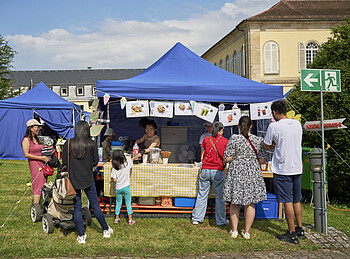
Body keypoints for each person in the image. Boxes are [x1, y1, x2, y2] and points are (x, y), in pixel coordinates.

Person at [62, 121, 113, 244]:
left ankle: (81, 235)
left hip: (74, 178)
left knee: (77, 207)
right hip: (88, 178)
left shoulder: (68, 143)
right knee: (95, 205)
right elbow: (95, 161)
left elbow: (64, 161)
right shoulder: (91, 143)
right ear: (87, 130)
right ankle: (105, 229)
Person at [264, 100, 304, 244]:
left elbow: (267, 145)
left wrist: (274, 145)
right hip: (297, 166)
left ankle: (291, 232)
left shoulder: (274, 126)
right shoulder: (297, 124)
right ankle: (300, 229)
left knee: (287, 201)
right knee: (296, 200)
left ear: (273, 112)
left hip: (283, 168)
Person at [223, 116, 268, 239]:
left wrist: (236, 157)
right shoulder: (258, 140)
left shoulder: (234, 139)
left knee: (234, 202)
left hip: (236, 172)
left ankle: (234, 230)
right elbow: (263, 160)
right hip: (252, 173)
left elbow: (226, 158)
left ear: (238, 126)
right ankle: (247, 232)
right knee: (250, 203)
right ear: (251, 126)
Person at [191, 121, 228, 226]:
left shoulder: (206, 140)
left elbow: (202, 153)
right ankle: (221, 220)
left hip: (206, 169)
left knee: (202, 194)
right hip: (218, 170)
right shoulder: (225, 141)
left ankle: (197, 218)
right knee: (219, 197)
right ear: (221, 130)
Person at [22, 119, 51, 204]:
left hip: (43, 164)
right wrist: (41, 158)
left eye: (39, 127)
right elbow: (26, 154)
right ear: (31, 128)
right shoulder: (26, 140)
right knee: (38, 186)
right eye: (36, 127)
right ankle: (36, 206)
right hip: (35, 164)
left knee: (43, 184)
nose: (38, 129)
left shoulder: (37, 139)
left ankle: (43, 205)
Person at [111, 150, 137, 225]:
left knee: (118, 203)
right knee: (128, 203)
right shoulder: (127, 163)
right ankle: (130, 220)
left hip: (118, 188)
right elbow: (131, 160)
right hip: (126, 187)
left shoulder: (114, 168)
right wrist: (137, 156)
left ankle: (116, 218)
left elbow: (114, 180)